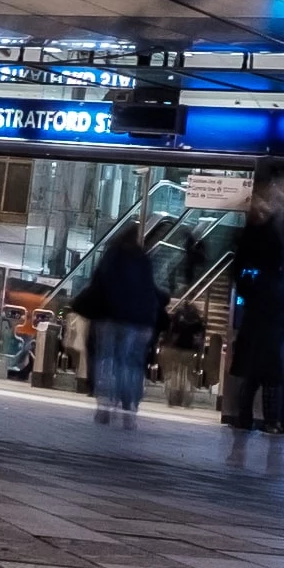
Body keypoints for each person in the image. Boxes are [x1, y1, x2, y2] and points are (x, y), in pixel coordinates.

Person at [76, 177, 184, 421]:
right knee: (131, 363)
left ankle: (105, 406)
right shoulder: (143, 260)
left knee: (108, 360)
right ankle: (129, 407)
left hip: (112, 317)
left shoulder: (112, 255)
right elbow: (150, 290)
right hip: (140, 321)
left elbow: (100, 283)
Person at [214, 186, 284, 435]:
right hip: (273, 318)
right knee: (269, 373)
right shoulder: (270, 241)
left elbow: (240, 270)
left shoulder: (251, 242)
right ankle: (270, 421)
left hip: (259, 317)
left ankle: (245, 418)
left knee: (252, 373)